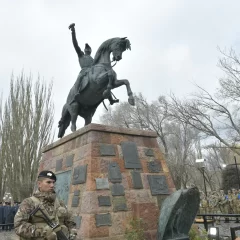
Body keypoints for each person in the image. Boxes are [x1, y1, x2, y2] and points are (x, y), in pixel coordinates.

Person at [14, 170, 77, 240]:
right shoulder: (29, 202)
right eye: (48, 182)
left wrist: (72, 231)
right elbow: (19, 226)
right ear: (39, 184)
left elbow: (69, 221)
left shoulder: (60, 202)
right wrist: (43, 232)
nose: (52, 185)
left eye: (53, 182)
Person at [69, 23, 119, 105]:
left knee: (104, 81)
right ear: (84, 50)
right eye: (86, 48)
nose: (88, 49)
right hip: (84, 72)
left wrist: (113, 59)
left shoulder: (93, 59)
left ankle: (111, 99)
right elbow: (75, 44)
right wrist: (73, 31)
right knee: (80, 77)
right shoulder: (81, 55)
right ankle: (77, 92)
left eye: (89, 49)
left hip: (93, 72)